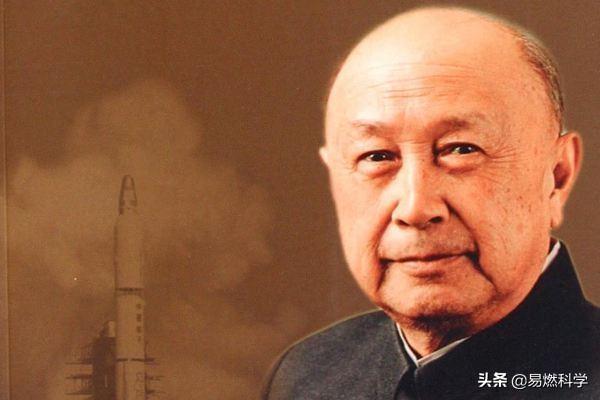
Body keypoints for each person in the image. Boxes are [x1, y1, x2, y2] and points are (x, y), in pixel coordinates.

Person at [262, 6, 600, 400]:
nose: (415, 209)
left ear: (557, 176)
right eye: (376, 156)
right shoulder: (307, 375)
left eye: (461, 149)